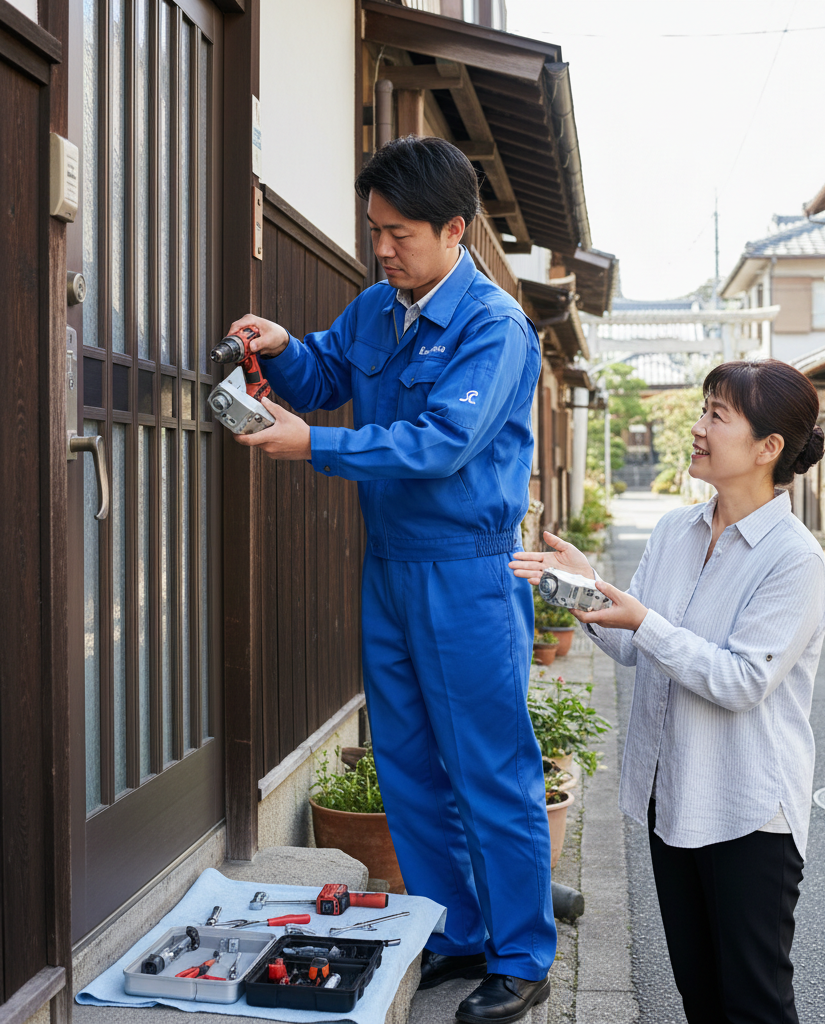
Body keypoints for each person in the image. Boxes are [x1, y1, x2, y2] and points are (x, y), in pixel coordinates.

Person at [226, 135, 555, 1024]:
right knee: (408, 765)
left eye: (399, 233)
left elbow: (440, 445)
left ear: (455, 230)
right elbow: (328, 371)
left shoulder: (495, 328)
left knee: (489, 768)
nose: (382, 248)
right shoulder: (381, 306)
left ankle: (524, 954)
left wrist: (312, 443)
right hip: (392, 569)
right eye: (374, 230)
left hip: (469, 574)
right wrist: (286, 347)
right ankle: (458, 932)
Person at [511, 359, 825, 1024]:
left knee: (754, 1003)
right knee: (700, 995)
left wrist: (643, 619)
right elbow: (637, 646)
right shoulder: (675, 532)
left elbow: (743, 679)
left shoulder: (793, 559)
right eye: (703, 409)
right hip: (674, 796)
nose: (698, 427)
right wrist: (588, 591)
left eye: (718, 415)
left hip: (749, 812)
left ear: (768, 448)